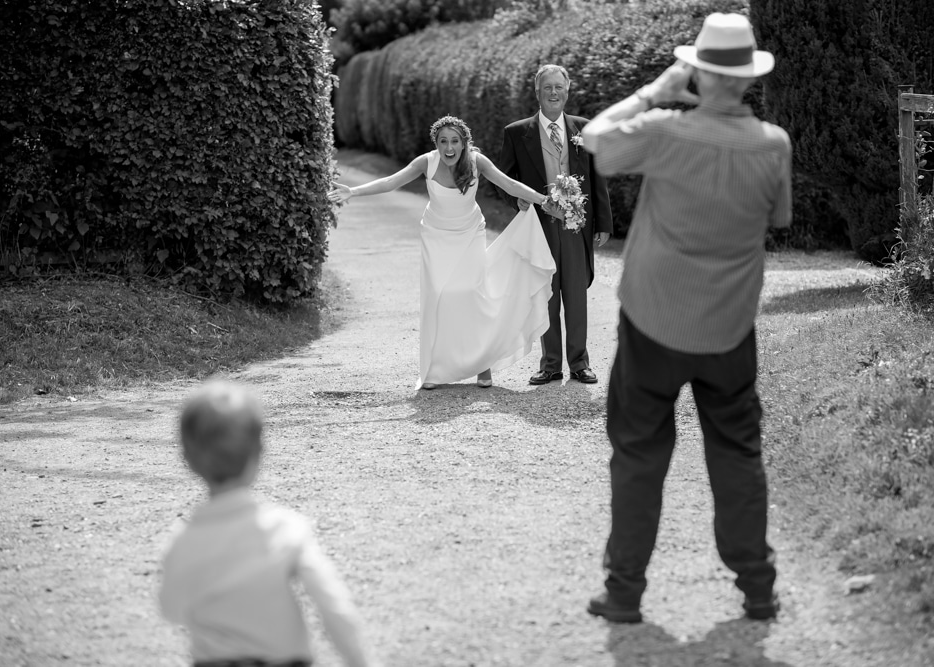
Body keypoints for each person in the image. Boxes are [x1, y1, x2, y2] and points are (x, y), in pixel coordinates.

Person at [580, 13, 791, 623]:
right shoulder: (773, 144)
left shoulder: (666, 131)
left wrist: (656, 91)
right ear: (748, 78)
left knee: (640, 455)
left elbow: (595, 137)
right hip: (729, 330)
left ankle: (624, 594)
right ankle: (758, 588)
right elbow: (776, 221)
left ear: (696, 70)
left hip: (651, 321)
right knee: (737, 453)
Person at [328, 116, 561, 390]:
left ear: (464, 143)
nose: (449, 147)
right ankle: (435, 370)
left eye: (454, 141)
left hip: (469, 234)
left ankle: (482, 365)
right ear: (436, 144)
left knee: (471, 294)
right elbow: (392, 181)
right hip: (436, 236)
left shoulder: (477, 162)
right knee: (439, 296)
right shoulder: (426, 162)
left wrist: (545, 201)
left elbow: (509, 184)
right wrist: (353, 191)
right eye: (443, 142)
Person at [159, 381, 380, 667]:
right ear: (259, 452)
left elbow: (172, 610)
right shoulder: (286, 529)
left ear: (187, 460)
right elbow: (333, 606)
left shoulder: (183, 542)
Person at [497, 64, 614, 386]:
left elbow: (597, 177)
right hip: (539, 227)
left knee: (576, 294)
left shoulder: (585, 129)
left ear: (567, 90)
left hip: (576, 227)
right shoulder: (516, 132)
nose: (553, 93)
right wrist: (515, 201)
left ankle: (579, 363)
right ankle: (550, 365)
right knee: (546, 294)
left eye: (558, 88)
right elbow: (502, 179)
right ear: (537, 92)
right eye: (547, 87)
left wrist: (602, 221)